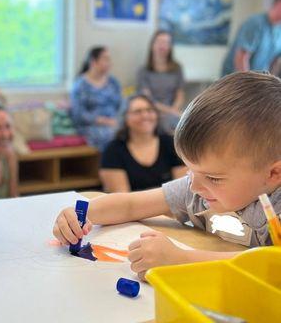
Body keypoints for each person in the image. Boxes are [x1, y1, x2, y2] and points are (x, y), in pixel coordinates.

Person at [54, 72, 281, 280]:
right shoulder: (199, 189)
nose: (194, 186)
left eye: (214, 177)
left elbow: (271, 266)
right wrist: (81, 213)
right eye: (190, 169)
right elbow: (132, 205)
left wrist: (180, 259)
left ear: (273, 173)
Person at [100, 95, 186, 192]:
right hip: (130, 206)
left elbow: (181, 192)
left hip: (172, 206)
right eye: (137, 112)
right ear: (125, 118)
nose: (145, 116)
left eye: (149, 110)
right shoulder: (112, 150)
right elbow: (121, 199)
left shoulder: (172, 144)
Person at [70, 47, 122, 151]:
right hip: (90, 126)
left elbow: (121, 105)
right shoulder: (81, 85)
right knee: (111, 135)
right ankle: (110, 164)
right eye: (105, 59)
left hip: (114, 122)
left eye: (109, 59)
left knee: (132, 131)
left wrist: (119, 120)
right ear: (93, 62)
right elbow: (79, 115)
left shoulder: (113, 82)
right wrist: (104, 121)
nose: (109, 63)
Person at [222, 0, 281, 76]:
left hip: (259, 81)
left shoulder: (279, 30)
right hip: (237, 81)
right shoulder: (255, 23)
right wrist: (248, 84)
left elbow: (274, 60)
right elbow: (241, 57)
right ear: (279, 2)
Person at [137, 30, 185, 132]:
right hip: (152, 111)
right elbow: (148, 99)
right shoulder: (143, 71)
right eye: (159, 42)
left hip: (173, 111)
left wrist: (174, 109)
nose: (163, 46)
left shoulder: (177, 68)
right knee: (166, 125)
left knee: (187, 126)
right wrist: (170, 111)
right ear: (152, 45)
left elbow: (180, 94)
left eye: (166, 43)